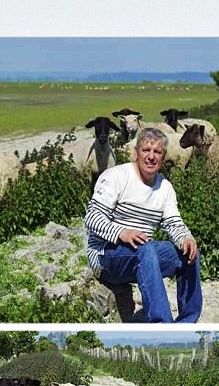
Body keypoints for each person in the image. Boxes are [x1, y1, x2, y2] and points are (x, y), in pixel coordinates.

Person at [84, 126, 202, 323]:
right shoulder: (116, 176)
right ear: (136, 152)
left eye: (157, 152)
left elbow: (174, 222)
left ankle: (187, 322)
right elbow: (92, 218)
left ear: (163, 156)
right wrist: (121, 232)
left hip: (141, 253)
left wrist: (186, 238)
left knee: (189, 252)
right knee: (146, 249)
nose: (151, 157)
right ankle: (161, 324)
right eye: (146, 150)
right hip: (106, 256)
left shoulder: (165, 187)